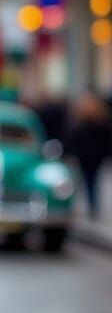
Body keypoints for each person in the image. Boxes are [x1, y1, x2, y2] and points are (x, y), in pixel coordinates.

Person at [64, 89, 111, 219]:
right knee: (88, 181)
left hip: (92, 157)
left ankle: (91, 206)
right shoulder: (85, 121)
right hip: (87, 156)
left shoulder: (95, 122)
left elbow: (106, 141)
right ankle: (90, 206)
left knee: (90, 181)